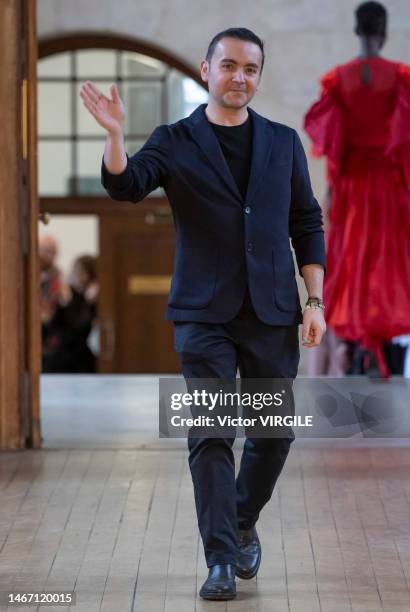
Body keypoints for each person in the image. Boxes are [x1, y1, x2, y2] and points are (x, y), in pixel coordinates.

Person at [80, 27, 326, 600]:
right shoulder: (174, 140)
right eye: (230, 65)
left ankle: (240, 520)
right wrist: (117, 137)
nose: (240, 76)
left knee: (274, 435)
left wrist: (313, 301)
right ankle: (219, 558)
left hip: (271, 311)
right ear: (206, 70)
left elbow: (307, 224)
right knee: (211, 432)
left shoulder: (284, 143)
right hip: (202, 313)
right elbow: (127, 187)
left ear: (258, 76)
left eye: (251, 68)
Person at [304, 1, 410, 379]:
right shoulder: (400, 77)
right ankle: (378, 348)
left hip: (351, 185)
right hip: (387, 185)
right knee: (385, 263)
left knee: (349, 264)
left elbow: (333, 144)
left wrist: (332, 190)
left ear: (357, 30)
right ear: (382, 32)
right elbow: (405, 143)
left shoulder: (338, 80)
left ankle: (355, 347)